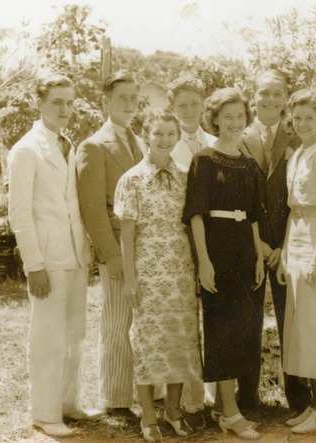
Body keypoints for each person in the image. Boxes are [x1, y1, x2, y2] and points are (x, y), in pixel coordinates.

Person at [7, 74, 98, 437]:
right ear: (40, 103)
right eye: (57, 101)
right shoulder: (26, 150)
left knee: (74, 333)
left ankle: (67, 403)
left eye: (70, 102)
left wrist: (85, 250)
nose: (65, 109)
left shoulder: (67, 144)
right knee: (48, 337)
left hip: (74, 254)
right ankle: (44, 413)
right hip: (46, 258)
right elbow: (19, 214)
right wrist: (34, 266)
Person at [114, 109, 201, 441]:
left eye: (170, 134)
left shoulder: (185, 175)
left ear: (177, 136)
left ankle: (174, 410)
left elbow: (191, 226)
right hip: (149, 271)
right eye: (157, 134)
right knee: (149, 343)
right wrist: (132, 279)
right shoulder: (132, 179)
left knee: (179, 340)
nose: (164, 140)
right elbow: (127, 235)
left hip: (180, 269)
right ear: (146, 136)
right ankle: (148, 417)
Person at [182, 88, 264, 440]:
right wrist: (204, 262)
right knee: (222, 329)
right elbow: (195, 216)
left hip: (246, 250)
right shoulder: (203, 159)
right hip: (217, 250)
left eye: (240, 116)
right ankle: (230, 414)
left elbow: (255, 215)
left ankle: (225, 406)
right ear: (214, 118)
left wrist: (260, 256)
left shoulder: (250, 164)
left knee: (244, 328)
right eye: (227, 116)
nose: (234, 122)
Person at [77, 70, 145, 417]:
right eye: (122, 98)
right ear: (106, 102)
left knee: (142, 321)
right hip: (118, 251)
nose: (130, 104)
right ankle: (116, 400)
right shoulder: (93, 145)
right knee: (118, 323)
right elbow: (92, 210)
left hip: (145, 250)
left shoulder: (140, 141)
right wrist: (113, 257)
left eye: (134, 98)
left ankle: (148, 393)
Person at [241, 70, 310, 413]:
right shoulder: (239, 135)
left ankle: (297, 397)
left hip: (287, 243)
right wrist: (259, 246)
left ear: (286, 98)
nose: (270, 100)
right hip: (251, 245)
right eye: (263, 93)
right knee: (248, 321)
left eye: (277, 94)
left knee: (291, 321)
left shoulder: (296, 134)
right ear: (253, 96)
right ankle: (248, 397)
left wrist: (283, 243)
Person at [275, 89, 316, 434]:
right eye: (297, 118)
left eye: (309, 118)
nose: (302, 124)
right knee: (301, 326)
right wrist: (286, 254)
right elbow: (292, 210)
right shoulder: (298, 154)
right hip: (298, 238)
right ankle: (315, 406)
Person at [167, 75, 217, 413]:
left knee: (214, 316)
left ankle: (216, 393)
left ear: (203, 104)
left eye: (194, 103)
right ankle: (188, 395)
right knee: (183, 318)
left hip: (216, 239)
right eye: (181, 104)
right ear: (172, 107)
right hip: (178, 240)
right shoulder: (164, 143)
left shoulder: (217, 141)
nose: (188, 110)